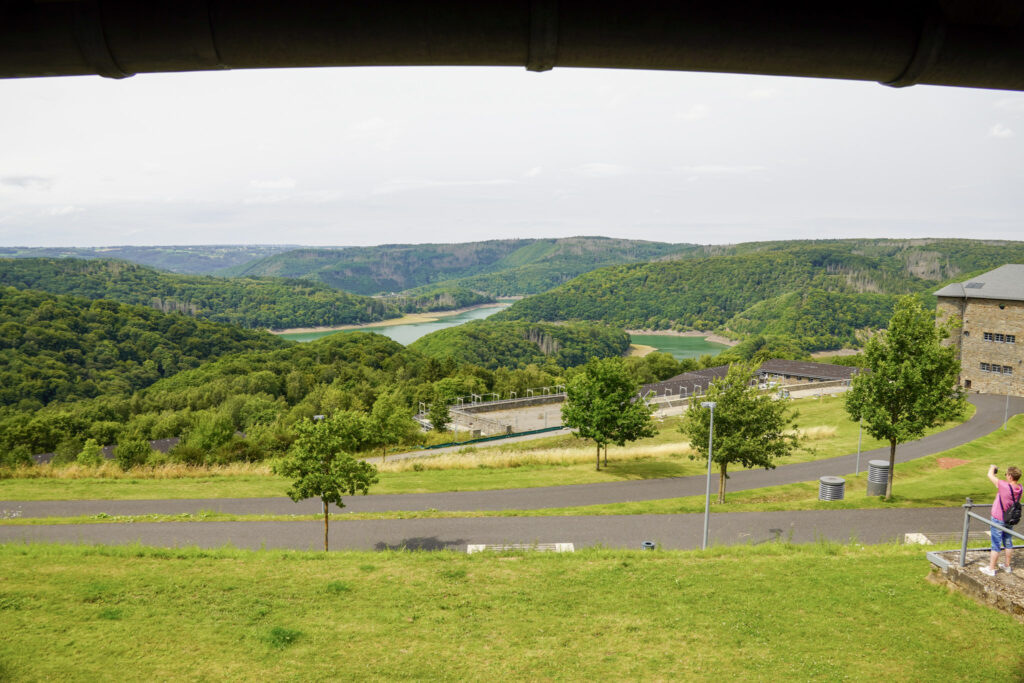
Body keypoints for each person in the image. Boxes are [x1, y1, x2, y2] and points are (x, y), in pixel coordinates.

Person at [980, 464, 1022, 577]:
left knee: (996, 543)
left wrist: (992, 468)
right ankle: (1007, 565)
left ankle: (991, 568)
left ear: (1009, 476)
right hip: (1010, 519)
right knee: (1008, 541)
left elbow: (989, 475)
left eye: (1006, 474)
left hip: (998, 518)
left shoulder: (1004, 486)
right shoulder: (1020, 488)